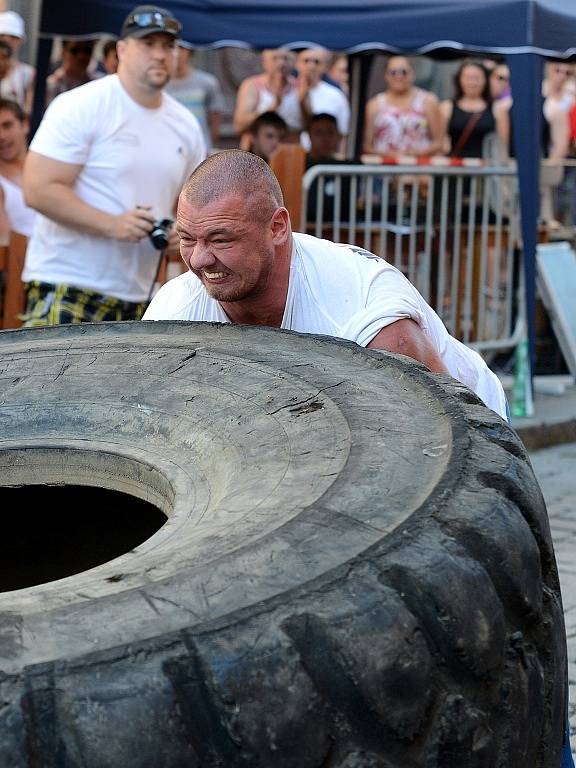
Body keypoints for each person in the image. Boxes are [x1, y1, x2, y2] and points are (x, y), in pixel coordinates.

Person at [143, 150, 507, 420]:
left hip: (472, 421)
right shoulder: (174, 312)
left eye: (221, 240)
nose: (200, 260)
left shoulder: (365, 311)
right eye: (188, 239)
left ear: (277, 228)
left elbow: (442, 433)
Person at [21, 4, 206, 326]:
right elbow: (37, 189)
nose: (160, 54)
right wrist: (112, 224)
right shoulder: (81, 105)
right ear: (121, 49)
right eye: (148, 44)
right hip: (69, 282)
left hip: (143, 295)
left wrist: (184, 234)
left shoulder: (186, 124)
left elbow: (192, 203)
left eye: (168, 45)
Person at [363, 56, 444, 157]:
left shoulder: (428, 101)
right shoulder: (374, 105)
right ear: (386, 76)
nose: (399, 76)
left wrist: (417, 155)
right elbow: (366, 146)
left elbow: (440, 143)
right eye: (393, 72)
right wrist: (390, 156)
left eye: (404, 72)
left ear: (413, 74)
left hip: (418, 169)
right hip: (384, 169)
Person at [440, 59, 509, 159]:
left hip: (487, 170)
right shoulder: (446, 107)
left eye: (476, 78)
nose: (471, 82)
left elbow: (502, 146)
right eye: (467, 77)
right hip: (455, 169)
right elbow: (440, 143)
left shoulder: (498, 109)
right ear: (459, 79)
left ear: (486, 80)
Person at [234, 48, 302, 148]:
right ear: (264, 62)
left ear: (294, 62)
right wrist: (269, 110)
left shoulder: (300, 87)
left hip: (289, 155)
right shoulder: (252, 86)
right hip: (257, 157)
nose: (281, 63)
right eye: (275, 58)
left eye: (285, 58)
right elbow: (239, 125)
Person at [165, 40, 225, 150]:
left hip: (200, 150)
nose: (177, 53)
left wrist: (208, 144)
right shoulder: (159, 85)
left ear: (190, 51)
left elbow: (215, 117)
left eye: (182, 48)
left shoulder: (207, 82)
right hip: (169, 149)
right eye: (173, 47)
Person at [296, 48, 350, 149]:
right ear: (297, 64)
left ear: (325, 67)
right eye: (306, 61)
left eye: (316, 62)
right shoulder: (288, 92)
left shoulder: (335, 95)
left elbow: (343, 133)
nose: (311, 66)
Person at [0, 98, 35, 243]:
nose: (1, 136)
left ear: (25, 124)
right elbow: (6, 245)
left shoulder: (53, 170)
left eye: (7, 126)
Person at [45, 39, 101, 106]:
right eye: (75, 50)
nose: (81, 56)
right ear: (63, 53)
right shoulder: (51, 85)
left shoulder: (96, 84)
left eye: (87, 50)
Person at [0, 11, 34, 114]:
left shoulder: (28, 73)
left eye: (13, 37)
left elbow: (28, 110)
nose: (7, 40)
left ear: (20, 40)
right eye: (3, 36)